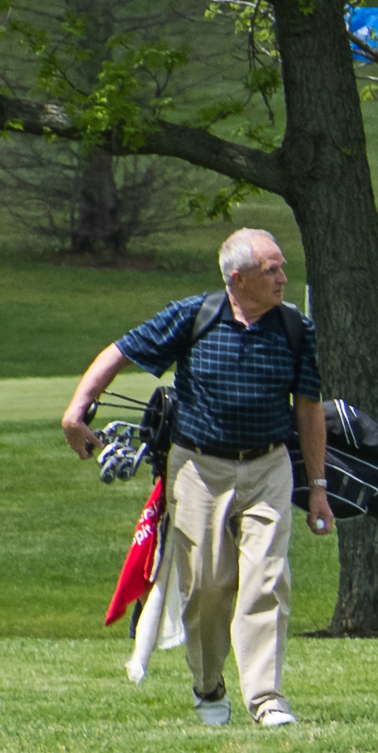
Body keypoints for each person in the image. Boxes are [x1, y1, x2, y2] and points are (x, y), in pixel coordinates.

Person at [62, 228, 335, 727]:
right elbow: (120, 350)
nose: (283, 277)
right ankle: (209, 686)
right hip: (199, 468)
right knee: (208, 585)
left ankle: (266, 699)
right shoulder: (195, 315)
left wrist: (317, 488)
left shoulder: (295, 327)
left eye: (282, 267)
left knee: (267, 580)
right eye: (271, 270)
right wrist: (77, 410)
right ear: (238, 278)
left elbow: (309, 407)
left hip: (270, 464)